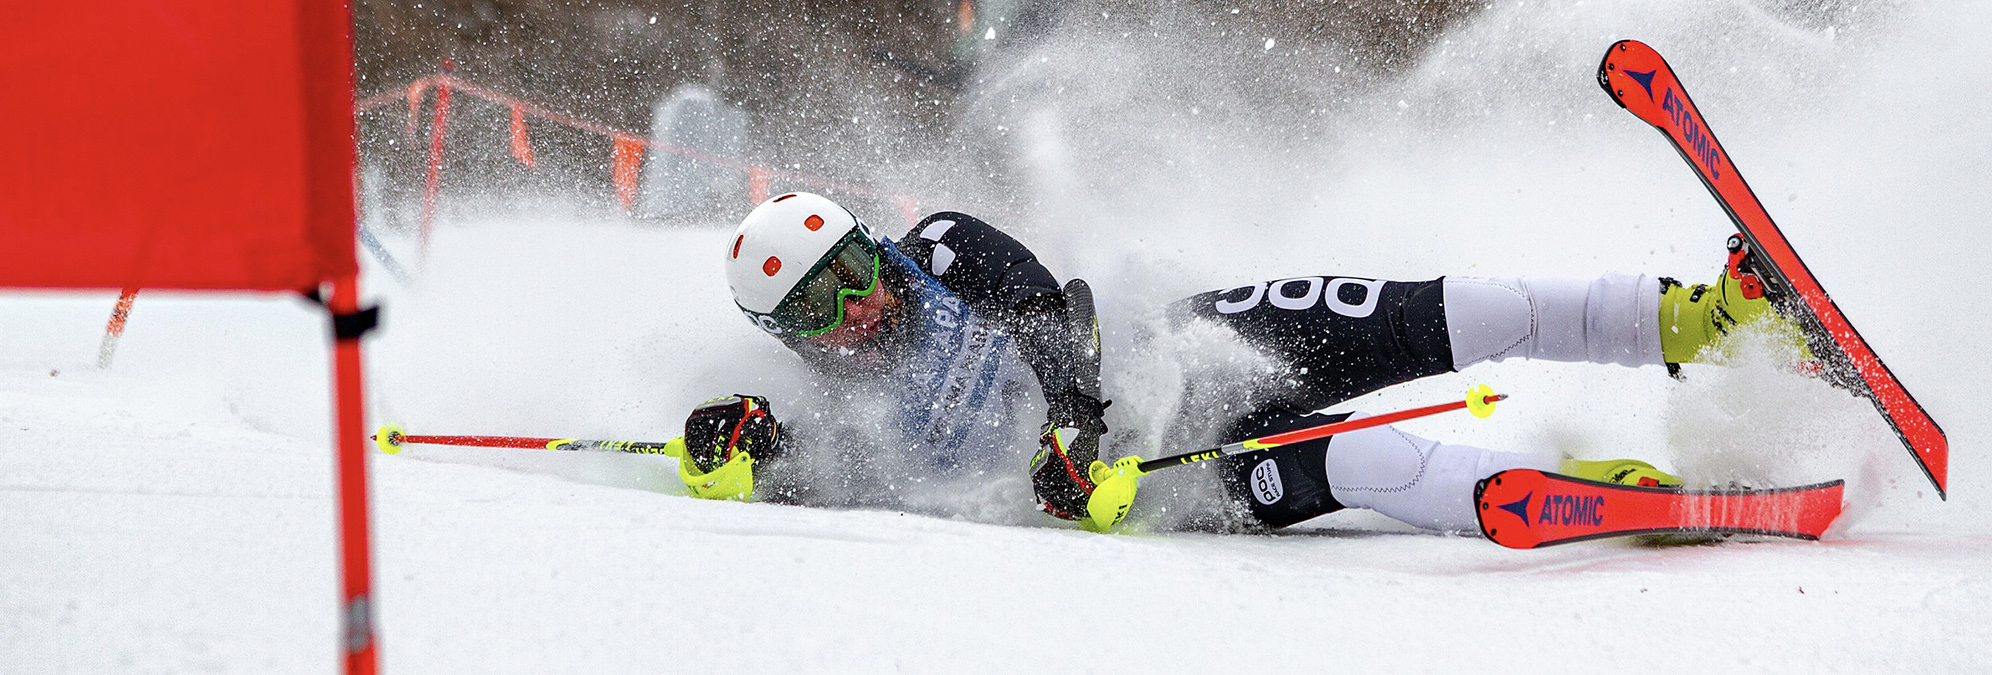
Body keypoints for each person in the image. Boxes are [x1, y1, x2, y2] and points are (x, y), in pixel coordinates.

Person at [667, 191, 1792, 534]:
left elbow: (1057, 310)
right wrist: (729, 449)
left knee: (1423, 313)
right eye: (828, 308)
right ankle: (1608, 501)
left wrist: (1070, 421)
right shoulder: (851, 414)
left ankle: (1700, 318)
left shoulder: (942, 252)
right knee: (1340, 464)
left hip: (1178, 354)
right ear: (792, 337)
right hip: (1165, 474)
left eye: (858, 268)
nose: (866, 304)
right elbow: (809, 480)